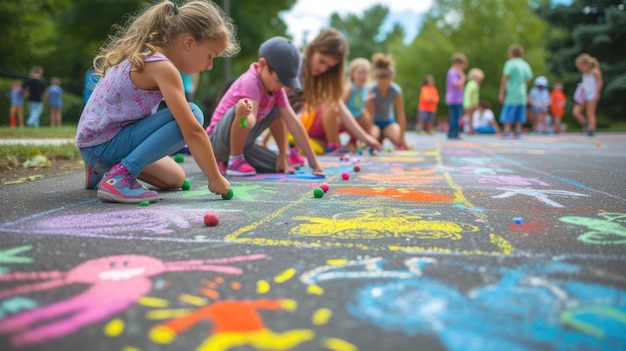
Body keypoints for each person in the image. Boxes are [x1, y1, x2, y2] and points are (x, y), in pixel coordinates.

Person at [75, 0, 239, 204]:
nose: (209, 66)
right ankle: (120, 177)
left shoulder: (148, 54)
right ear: (189, 42)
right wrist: (215, 178)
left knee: (175, 179)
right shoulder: (162, 67)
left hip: (94, 145)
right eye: (210, 56)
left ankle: (99, 170)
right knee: (194, 114)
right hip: (104, 144)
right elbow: (193, 131)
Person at [206, 36, 324, 177]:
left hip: (244, 143)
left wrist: (310, 161)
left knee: (278, 165)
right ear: (262, 65)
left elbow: (294, 124)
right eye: (278, 80)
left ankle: (229, 160)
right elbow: (250, 119)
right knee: (245, 108)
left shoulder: (276, 90)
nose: (281, 86)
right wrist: (244, 115)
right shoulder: (250, 81)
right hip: (218, 142)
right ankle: (234, 160)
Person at [287, 28, 381, 154]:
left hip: (293, 127)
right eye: (321, 61)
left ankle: (308, 143)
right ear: (313, 48)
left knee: (320, 146)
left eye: (329, 67)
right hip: (275, 123)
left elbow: (341, 109)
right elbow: (279, 109)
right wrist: (282, 150)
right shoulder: (295, 66)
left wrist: (365, 138)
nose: (323, 69)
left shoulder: (319, 78)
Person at [365, 52, 408, 149]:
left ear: (391, 79)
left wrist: (402, 138)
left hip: (388, 122)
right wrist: (369, 134)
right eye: (381, 83)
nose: (383, 86)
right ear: (376, 80)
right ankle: (379, 136)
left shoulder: (396, 91)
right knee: (373, 140)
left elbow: (401, 114)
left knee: (399, 142)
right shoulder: (372, 89)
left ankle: (384, 134)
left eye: (386, 83)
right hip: (375, 123)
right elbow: (369, 113)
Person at [498, 44, 533, 139]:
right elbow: (529, 78)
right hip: (522, 93)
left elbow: (505, 77)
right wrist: (523, 86)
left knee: (509, 111)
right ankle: (518, 131)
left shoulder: (510, 63)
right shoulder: (525, 64)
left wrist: (502, 92)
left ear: (511, 53)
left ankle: (507, 131)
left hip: (512, 93)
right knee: (520, 112)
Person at [343, 57, 372, 149]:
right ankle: (351, 141)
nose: (363, 76)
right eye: (360, 73)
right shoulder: (350, 88)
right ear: (353, 74)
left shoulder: (367, 89)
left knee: (367, 117)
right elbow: (341, 105)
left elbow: (365, 107)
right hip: (347, 117)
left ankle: (363, 141)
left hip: (358, 116)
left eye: (365, 73)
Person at [573, 53, 603, 137]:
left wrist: (597, 93)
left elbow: (600, 83)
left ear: (587, 64)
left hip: (592, 95)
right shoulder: (584, 73)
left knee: (590, 112)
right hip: (584, 95)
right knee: (576, 111)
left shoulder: (595, 72)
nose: (580, 69)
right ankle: (586, 124)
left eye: (581, 66)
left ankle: (592, 129)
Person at [446, 53, 467, 139]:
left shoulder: (454, 72)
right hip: (454, 98)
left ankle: (454, 131)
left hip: (457, 98)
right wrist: (463, 77)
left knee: (456, 115)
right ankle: (453, 132)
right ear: (458, 63)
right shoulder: (453, 72)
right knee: (455, 116)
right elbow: (455, 84)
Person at [462, 68, 484, 135]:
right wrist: (474, 103)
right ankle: (470, 129)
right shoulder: (474, 84)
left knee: (468, 116)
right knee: (471, 117)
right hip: (471, 103)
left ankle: (469, 129)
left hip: (466, 102)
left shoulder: (469, 83)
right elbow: (472, 94)